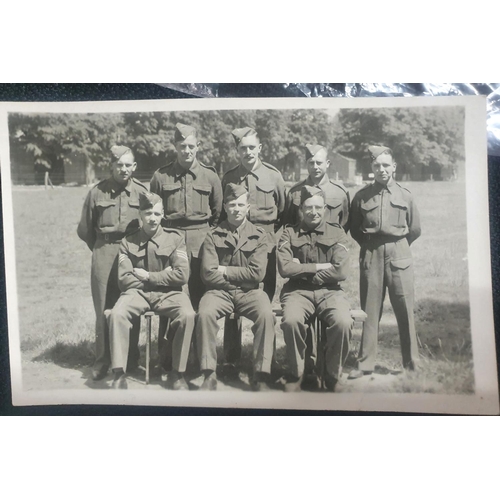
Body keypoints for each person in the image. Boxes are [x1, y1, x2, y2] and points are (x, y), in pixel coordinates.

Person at [107, 192, 195, 390]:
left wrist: (148, 276)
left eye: (156, 213)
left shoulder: (176, 239)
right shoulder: (128, 242)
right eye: (148, 213)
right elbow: (124, 280)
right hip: (137, 294)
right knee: (117, 315)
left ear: (163, 214)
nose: (152, 218)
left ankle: (177, 373)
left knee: (188, 315)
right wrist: (163, 277)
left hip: (170, 294)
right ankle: (119, 373)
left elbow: (182, 276)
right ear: (140, 214)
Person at [348, 145, 421, 379]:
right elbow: (355, 229)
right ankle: (365, 363)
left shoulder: (405, 195)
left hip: (400, 252)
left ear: (394, 167)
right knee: (369, 310)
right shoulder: (361, 196)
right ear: (372, 168)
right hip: (371, 252)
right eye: (377, 165)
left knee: (404, 308)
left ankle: (412, 363)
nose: (381, 169)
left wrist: (397, 245)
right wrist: (371, 246)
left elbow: (415, 229)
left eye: (386, 165)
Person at [195, 183, 276, 391]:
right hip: (219, 292)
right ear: (224, 206)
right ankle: (208, 373)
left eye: (241, 204)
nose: (236, 209)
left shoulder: (259, 235)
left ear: (248, 207)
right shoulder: (213, 235)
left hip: (251, 293)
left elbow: (258, 274)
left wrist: (225, 270)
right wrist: (237, 277)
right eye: (232, 204)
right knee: (204, 313)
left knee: (266, 314)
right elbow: (208, 274)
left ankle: (261, 374)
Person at [77, 145, 148, 381]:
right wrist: (101, 249)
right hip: (104, 251)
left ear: (134, 167)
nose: (124, 169)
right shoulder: (97, 192)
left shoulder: (141, 192)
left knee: (131, 305)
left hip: (132, 253)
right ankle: (102, 361)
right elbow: (85, 229)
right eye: (119, 164)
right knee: (103, 310)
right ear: (111, 166)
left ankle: (131, 360)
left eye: (128, 165)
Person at [278, 186, 353, 392]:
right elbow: (285, 269)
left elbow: (341, 271)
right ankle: (298, 373)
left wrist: (302, 269)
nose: (314, 212)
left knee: (343, 322)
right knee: (291, 321)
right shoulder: (288, 232)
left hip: (330, 291)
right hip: (297, 292)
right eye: (309, 207)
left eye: (318, 207)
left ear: (325, 208)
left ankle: (332, 375)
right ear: (301, 208)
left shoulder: (337, 232)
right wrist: (321, 267)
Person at [150, 122, 223, 310]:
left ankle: (199, 339)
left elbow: (218, 213)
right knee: (169, 293)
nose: (187, 151)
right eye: (182, 146)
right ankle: (169, 340)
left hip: (201, 240)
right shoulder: (161, 176)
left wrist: (207, 236)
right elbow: (153, 210)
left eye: (191, 146)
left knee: (201, 293)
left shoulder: (210, 176)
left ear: (198, 146)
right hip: (170, 239)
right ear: (175, 146)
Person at [222, 126, 286, 302]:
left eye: (252, 147)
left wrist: (269, 234)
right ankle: (232, 330)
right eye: (243, 148)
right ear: (237, 151)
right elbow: (223, 212)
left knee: (266, 292)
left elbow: (283, 211)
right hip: (237, 242)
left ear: (260, 148)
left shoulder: (273, 176)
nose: (248, 152)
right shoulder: (230, 178)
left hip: (266, 242)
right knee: (233, 290)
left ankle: (265, 328)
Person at [283, 144, 349, 230]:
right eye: (311, 163)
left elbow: (345, 225)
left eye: (319, 163)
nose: (315, 167)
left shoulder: (340, 193)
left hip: (331, 241)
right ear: (306, 164)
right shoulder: (295, 192)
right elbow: (288, 225)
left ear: (327, 163)